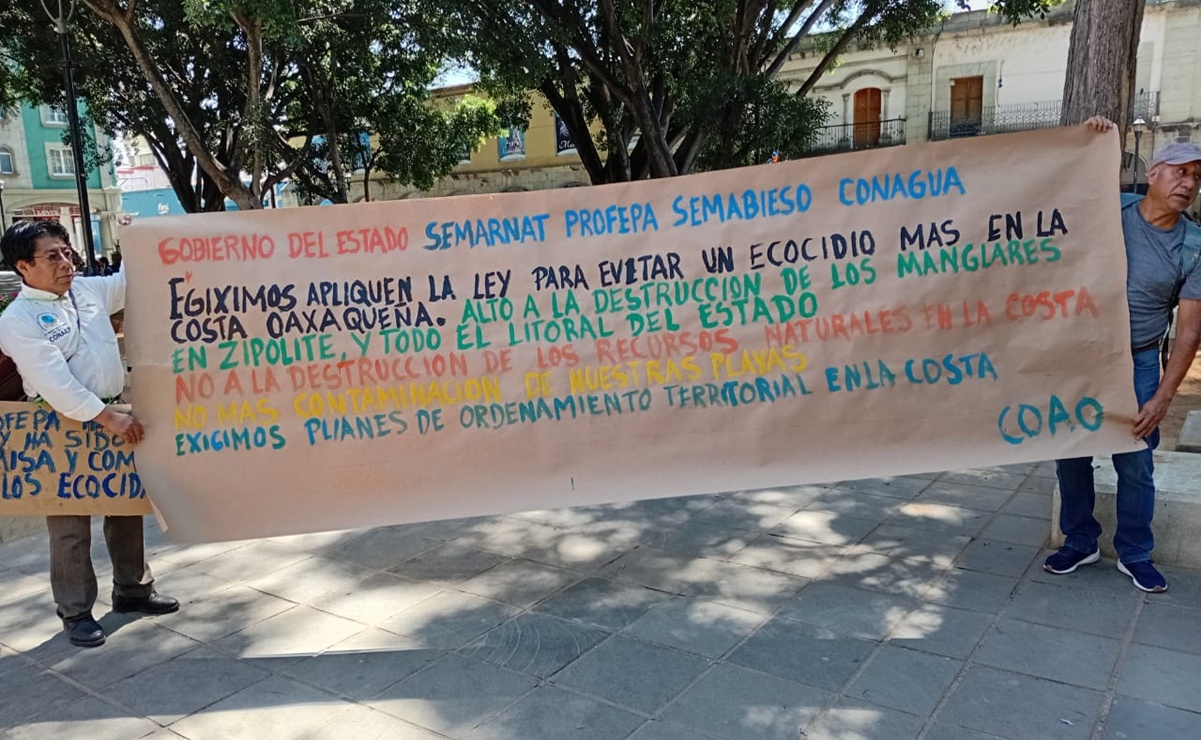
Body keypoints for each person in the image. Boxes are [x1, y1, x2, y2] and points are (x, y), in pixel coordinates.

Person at [0, 220, 178, 647]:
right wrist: (105, 418)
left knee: (125, 505)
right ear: (24, 266)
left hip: (113, 410)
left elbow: (132, 281)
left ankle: (133, 590)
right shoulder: (17, 319)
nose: (67, 262)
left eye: (67, 251)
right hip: (63, 422)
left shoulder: (87, 291)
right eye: (52, 256)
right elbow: (52, 380)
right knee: (68, 520)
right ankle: (76, 610)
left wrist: (135, 239)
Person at [1045, 122, 1201, 593]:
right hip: (1080, 355)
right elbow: (1063, 194)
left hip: (1137, 362)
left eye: (1196, 176)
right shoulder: (1113, 211)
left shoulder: (1194, 247)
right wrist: (1092, 137)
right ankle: (1080, 539)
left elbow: (1190, 329)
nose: (1189, 184)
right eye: (1180, 172)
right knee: (1069, 450)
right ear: (1153, 174)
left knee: (1136, 457)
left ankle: (1135, 552)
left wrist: (1163, 396)